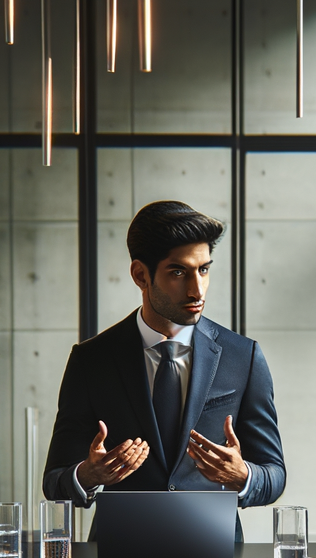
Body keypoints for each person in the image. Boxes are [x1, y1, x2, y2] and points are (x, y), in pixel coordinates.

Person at [41, 201, 286, 533]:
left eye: (204, 269)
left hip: (214, 556)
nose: (197, 289)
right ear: (141, 275)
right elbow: (55, 480)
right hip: (119, 556)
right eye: (178, 272)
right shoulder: (92, 360)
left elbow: (274, 473)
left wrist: (243, 476)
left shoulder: (243, 357)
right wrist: (88, 475)